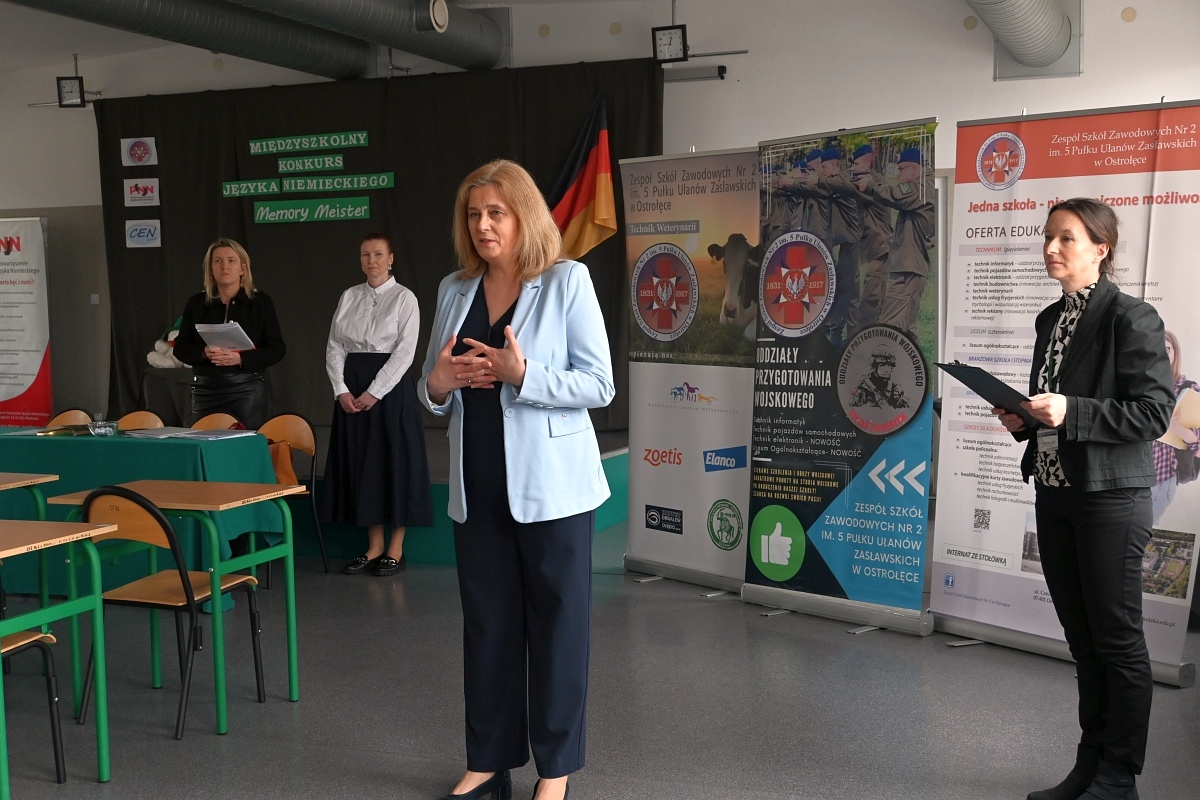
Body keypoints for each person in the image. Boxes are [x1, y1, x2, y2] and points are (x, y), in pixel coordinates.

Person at [419, 159, 615, 800]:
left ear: (523, 216)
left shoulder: (565, 280)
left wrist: (523, 375)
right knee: (488, 627)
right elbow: (433, 388)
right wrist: (436, 386)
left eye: (496, 213)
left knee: (558, 629)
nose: (483, 225)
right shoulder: (453, 290)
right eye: (474, 214)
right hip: (477, 483)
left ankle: (554, 773)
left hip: (553, 488)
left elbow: (599, 385)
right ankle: (487, 762)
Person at [991, 198, 1174, 800]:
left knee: (1117, 642)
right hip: (1057, 492)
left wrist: (1071, 410)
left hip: (1110, 500)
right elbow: (1054, 409)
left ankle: (1119, 777)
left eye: (1066, 238)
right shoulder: (1050, 319)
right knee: (1083, 641)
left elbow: (1153, 414)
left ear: (1101, 248)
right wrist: (1025, 420)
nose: (1051, 248)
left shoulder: (1132, 317)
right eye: (1048, 237)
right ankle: (1089, 765)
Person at [322, 233, 433, 577]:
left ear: (391, 258)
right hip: (351, 390)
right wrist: (341, 389)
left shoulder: (404, 298)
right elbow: (335, 345)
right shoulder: (349, 296)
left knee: (395, 462)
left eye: (378, 254)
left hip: (390, 391)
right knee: (364, 465)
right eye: (366, 254)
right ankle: (373, 547)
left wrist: (374, 391)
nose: (372, 260)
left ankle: (395, 549)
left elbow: (405, 352)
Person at [173, 238, 285, 429]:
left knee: (242, 444)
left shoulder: (260, 302)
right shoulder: (196, 303)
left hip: (247, 390)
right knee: (204, 442)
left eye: (231, 261)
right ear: (210, 269)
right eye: (217, 261)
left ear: (242, 269)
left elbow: (277, 349)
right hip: (204, 390)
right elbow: (180, 348)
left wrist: (240, 359)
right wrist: (203, 353)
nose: (224, 266)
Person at [855, 146, 934, 340]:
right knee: (906, 332)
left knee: (889, 330)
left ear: (914, 168)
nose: (897, 174)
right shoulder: (924, 186)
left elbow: (895, 195)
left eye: (901, 169)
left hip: (907, 270)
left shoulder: (922, 187)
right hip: (909, 267)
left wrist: (871, 185)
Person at [1150, 330, 1199, 526]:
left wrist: (1177, 429)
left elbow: (1198, 441)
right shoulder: (1139, 386)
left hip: (1160, 480)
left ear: (1175, 353)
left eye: (1166, 349)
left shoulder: (1188, 389)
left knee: (1138, 535)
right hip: (1130, 476)